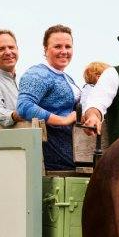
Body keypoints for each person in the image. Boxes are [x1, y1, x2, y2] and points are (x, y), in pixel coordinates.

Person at [16, 25, 81, 170]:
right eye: (57, 46)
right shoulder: (38, 74)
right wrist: (63, 120)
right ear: (45, 50)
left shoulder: (67, 77)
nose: (64, 51)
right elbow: (24, 107)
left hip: (77, 152)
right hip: (55, 158)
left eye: (68, 46)